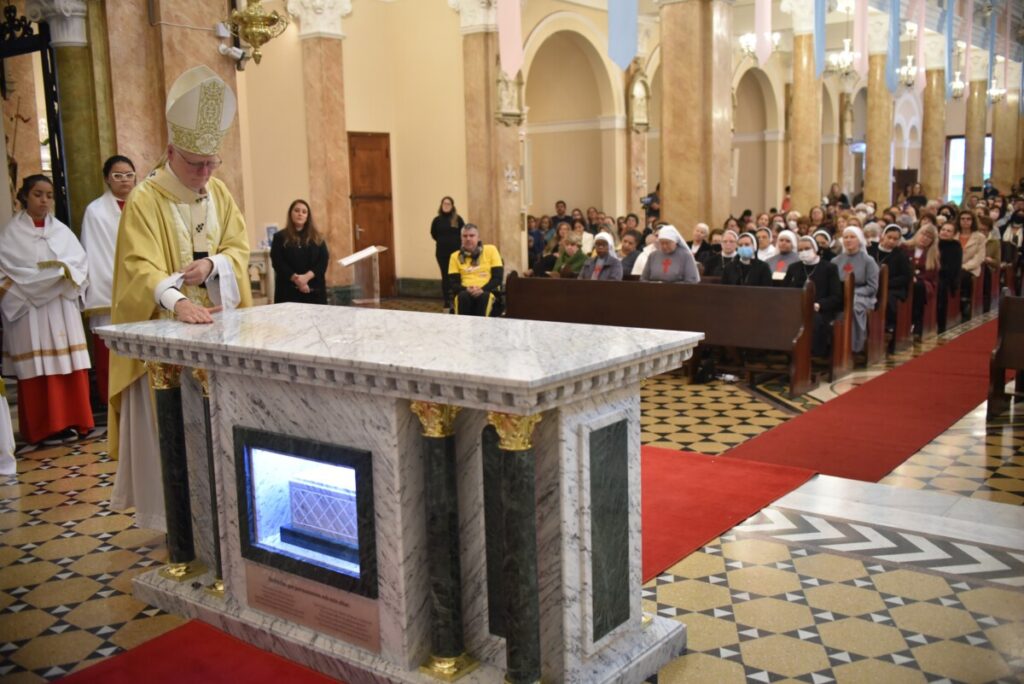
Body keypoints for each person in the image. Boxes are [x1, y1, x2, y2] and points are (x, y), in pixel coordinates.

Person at [109, 66, 252, 531]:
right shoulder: (147, 199)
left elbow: (238, 246)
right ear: (171, 152)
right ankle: (178, 524)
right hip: (166, 340)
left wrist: (213, 267)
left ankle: (224, 520)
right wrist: (175, 299)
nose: (205, 174)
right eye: (196, 164)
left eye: (213, 164)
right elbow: (137, 267)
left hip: (216, 330)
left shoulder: (220, 193)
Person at [0, 174, 95, 445]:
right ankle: (42, 428)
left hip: (60, 307)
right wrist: (41, 284)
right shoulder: (10, 235)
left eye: (49, 195)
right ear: (24, 197)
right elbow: (7, 274)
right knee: (37, 368)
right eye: (38, 194)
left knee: (68, 365)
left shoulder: (62, 232)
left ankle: (76, 420)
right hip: (30, 311)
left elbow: (80, 266)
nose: (44, 200)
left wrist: (54, 280)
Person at [81, 154, 137, 405]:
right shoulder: (96, 212)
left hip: (142, 290)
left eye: (129, 175)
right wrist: (119, 284)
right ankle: (113, 402)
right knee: (110, 356)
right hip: (109, 292)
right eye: (118, 175)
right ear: (107, 179)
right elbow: (95, 252)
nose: (124, 180)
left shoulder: (144, 203)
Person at [783, 236, 843, 357]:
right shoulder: (793, 268)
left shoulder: (829, 268)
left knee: (813, 320)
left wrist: (819, 304)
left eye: (807, 248)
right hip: (796, 308)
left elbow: (836, 297)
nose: (803, 252)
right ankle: (786, 352)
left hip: (820, 310)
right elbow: (785, 291)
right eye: (800, 249)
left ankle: (810, 355)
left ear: (815, 249)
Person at [831, 226, 879, 355]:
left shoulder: (868, 261)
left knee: (852, 306)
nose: (848, 240)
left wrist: (852, 292)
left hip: (861, 296)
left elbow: (872, 287)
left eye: (852, 237)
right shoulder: (835, 261)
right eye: (846, 237)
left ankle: (852, 346)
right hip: (839, 294)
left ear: (859, 240)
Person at [271, 199, 329, 304]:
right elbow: (277, 262)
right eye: (296, 210)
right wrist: (297, 280)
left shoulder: (317, 237)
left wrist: (306, 278)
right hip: (288, 292)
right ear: (290, 214)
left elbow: (323, 262)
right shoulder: (279, 237)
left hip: (314, 291)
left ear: (308, 216)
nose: (300, 214)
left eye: (304, 212)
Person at [447, 223, 503, 315]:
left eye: (472, 235)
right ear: (461, 238)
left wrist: (482, 289)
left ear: (478, 238)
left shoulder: (491, 250)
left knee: (484, 297)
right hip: (465, 291)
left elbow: (498, 278)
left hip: (487, 290)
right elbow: (453, 283)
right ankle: (462, 328)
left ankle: (481, 328)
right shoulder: (454, 256)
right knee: (462, 296)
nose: (468, 238)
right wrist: (466, 289)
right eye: (465, 236)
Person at [868, 225, 911, 332]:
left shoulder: (901, 255)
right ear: (883, 236)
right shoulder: (870, 249)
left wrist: (885, 283)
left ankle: (888, 326)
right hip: (871, 284)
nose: (891, 241)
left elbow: (905, 276)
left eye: (895, 239)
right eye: (889, 237)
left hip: (892, 287)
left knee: (887, 299)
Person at [430, 196, 464, 309]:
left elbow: (463, 233)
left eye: (448, 204)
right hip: (441, 253)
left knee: (455, 276)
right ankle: (446, 301)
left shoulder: (458, 219)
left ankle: (456, 298)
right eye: (444, 203)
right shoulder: (437, 220)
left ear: (452, 206)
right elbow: (433, 234)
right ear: (441, 205)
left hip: (456, 254)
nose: (446, 205)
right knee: (445, 276)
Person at [906, 224, 939, 335]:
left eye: (929, 237)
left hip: (924, 283)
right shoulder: (904, 248)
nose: (924, 238)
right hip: (906, 279)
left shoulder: (933, 255)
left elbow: (930, 274)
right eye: (923, 234)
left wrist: (917, 278)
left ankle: (916, 322)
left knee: (918, 287)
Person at [955, 210, 986, 319]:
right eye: (962, 219)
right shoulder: (954, 234)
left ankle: (965, 301)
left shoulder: (980, 237)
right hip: (954, 267)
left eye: (968, 219)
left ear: (973, 221)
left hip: (971, 268)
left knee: (963, 275)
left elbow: (979, 257)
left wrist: (964, 266)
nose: (965, 221)